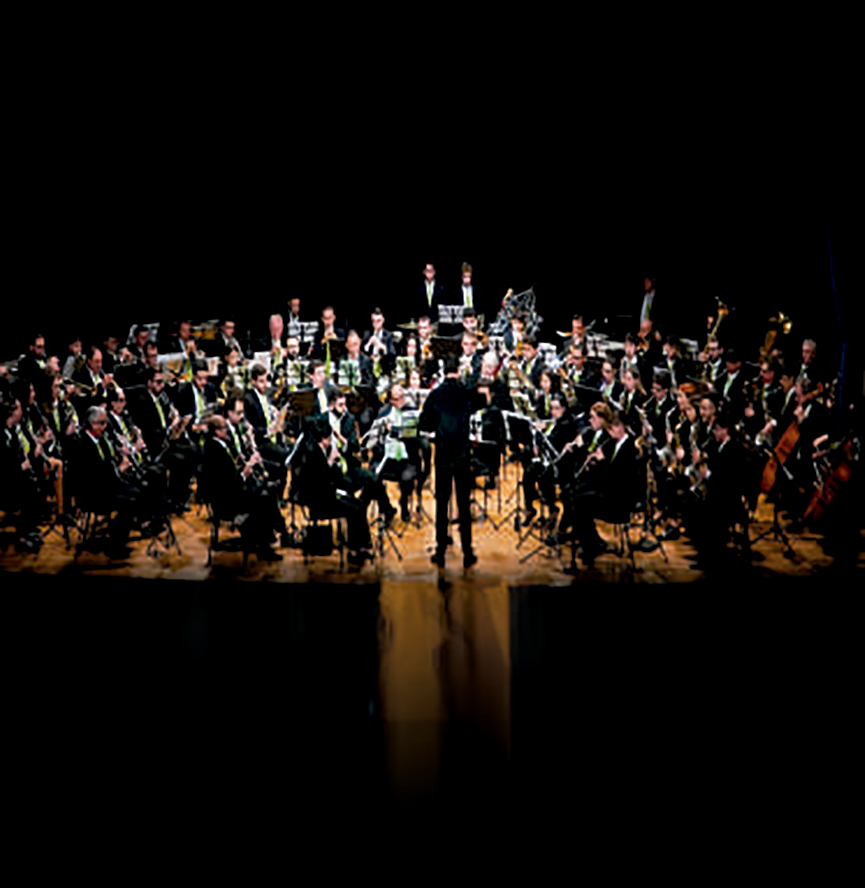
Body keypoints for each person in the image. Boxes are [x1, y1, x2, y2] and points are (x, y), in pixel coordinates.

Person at [419, 353, 487, 569]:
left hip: (442, 454)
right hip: (462, 455)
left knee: (441, 502)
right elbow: (483, 400)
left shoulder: (435, 395)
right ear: (457, 370)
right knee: (463, 503)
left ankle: (440, 551)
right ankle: (468, 552)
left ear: (443, 370)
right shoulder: (466, 392)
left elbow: (425, 424)